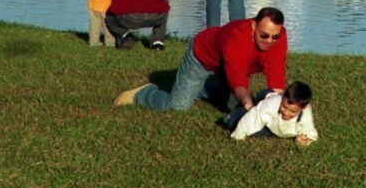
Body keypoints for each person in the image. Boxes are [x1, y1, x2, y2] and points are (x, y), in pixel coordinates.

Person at [115, 7, 288, 113]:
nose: (269, 41)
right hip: (202, 58)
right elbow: (237, 77)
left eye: (275, 37)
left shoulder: (279, 38)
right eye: (264, 35)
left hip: (227, 66)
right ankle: (143, 94)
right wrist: (249, 105)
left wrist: (281, 107)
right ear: (253, 26)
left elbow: (276, 73)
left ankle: (198, 88)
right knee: (177, 107)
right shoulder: (236, 37)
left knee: (231, 105)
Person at [226, 81, 318, 146]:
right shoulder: (272, 104)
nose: (286, 113)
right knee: (235, 122)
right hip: (266, 100)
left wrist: (304, 141)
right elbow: (252, 118)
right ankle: (235, 114)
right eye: (284, 107)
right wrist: (238, 137)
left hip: (274, 129)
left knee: (263, 134)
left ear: (303, 108)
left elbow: (310, 134)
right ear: (283, 98)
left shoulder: (305, 115)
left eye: (292, 111)